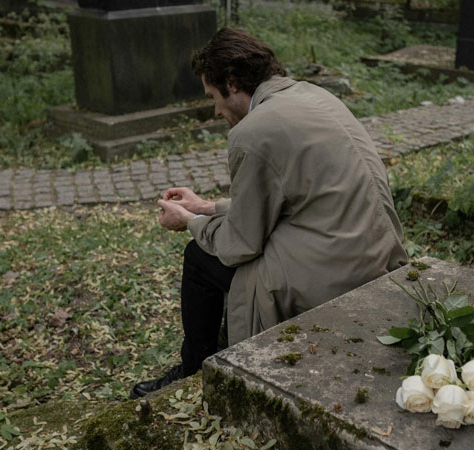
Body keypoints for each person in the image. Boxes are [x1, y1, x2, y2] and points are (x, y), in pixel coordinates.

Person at [130, 28, 407, 399]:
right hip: (374, 252)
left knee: (199, 256)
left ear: (230, 82)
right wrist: (207, 207)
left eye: (212, 96)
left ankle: (195, 369)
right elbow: (294, 198)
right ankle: (220, 348)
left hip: (335, 272)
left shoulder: (252, 130)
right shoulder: (312, 94)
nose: (215, 110)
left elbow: (240, 243)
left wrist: (189, 222)